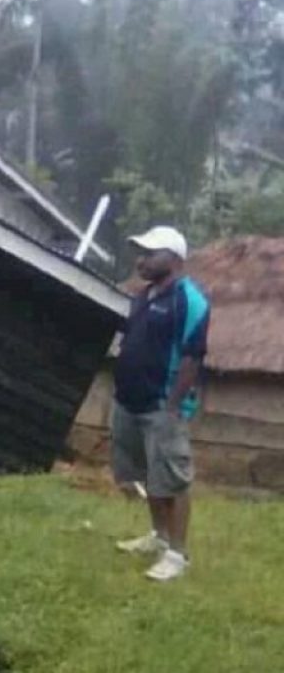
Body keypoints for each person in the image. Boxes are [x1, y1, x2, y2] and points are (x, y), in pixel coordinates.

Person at [111, 225, 211, 582]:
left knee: (172, 480)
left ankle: (177, 554)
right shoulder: (143, 296)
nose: (141, 260)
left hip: (161, 406)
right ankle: (158, 537)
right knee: (144, 477)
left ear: (174, 259)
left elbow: (192, 357)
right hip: (128, 401)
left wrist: (171, 408)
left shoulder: (190, 301)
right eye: (140, 252)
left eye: (150, 253)